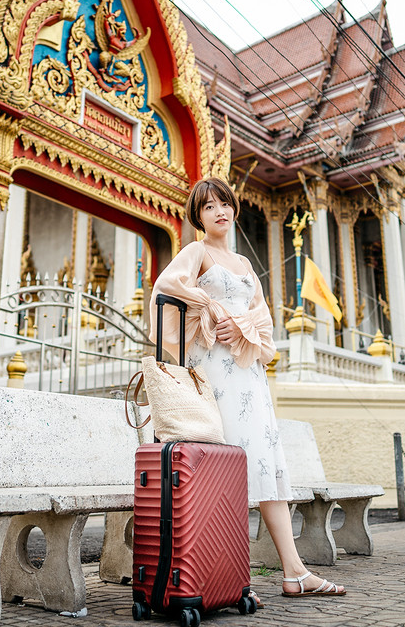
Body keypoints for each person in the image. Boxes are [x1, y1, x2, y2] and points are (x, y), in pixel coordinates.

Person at [150, 176, 346, 599]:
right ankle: (228, 578)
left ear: (234, 208)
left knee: (262, 463)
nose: (219, 211)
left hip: (249, 374)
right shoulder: (196, 252)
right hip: (214, 370)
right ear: (198, 217)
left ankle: (293, 572)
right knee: (223, 467)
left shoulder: (244, 267)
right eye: (208, 207)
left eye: (224, 203)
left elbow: (263, 320)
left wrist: (243, 326)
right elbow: (166, 288)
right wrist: (208, 306)